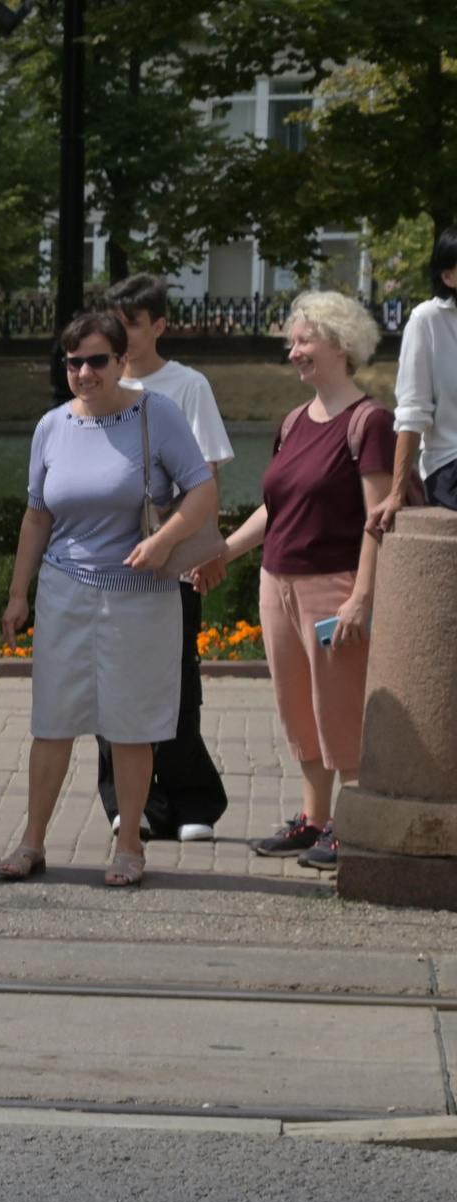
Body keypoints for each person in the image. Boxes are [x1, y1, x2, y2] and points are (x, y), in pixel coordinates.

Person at [0, 312, 219, 889]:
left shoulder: (156, 413)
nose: (85, 372)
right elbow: (37, 515)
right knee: (52, 722)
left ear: (122, 361)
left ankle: (128, 844)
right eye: (74, 362)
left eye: (97, 360)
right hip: (65, 588)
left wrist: (164, 540)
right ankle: (32, 840)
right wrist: (19, 594)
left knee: (130, 725)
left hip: (141, 596)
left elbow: (203, 489)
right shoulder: (51, 426)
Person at [216, 292, 394, 872]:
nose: (293, 353)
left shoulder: (370, 423)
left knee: (339, 710)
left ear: (341, 345)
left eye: (303, 341)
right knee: (299, 710)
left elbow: (379, 518)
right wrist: (226, 551)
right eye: (291, 343)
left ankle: (352, 825)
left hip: (333, 586)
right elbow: (276, 508)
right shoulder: (293, 421)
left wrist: (362, 596)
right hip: (279, 584)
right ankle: (315, 819)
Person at [94, 273, 235, 845]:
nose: (123, 336)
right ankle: (130, 806)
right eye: (116, 323)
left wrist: (211, 547)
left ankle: (189, 796)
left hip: (171, 556)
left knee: (177, 679)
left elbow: (210, 473)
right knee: (113, 684)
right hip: (107, 560)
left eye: (132, 324)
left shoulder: (187, 385)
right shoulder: (96, 379)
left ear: (158, 325)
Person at [379, 225, 457, 529]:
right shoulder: (427, 320)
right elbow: (412, 413)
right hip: (450, 464)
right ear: (448, 277)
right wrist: (397, 494)